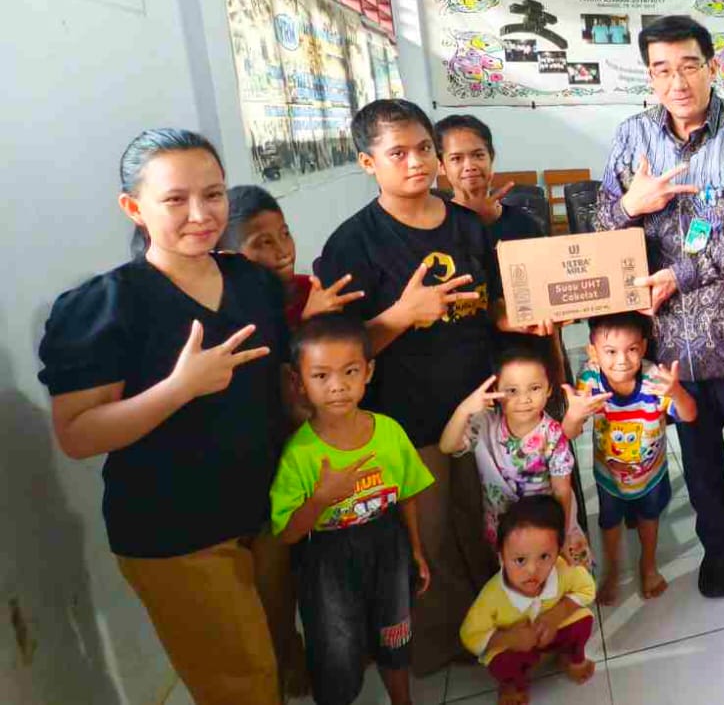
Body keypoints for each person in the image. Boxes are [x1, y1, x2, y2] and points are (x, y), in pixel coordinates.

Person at [38, 129, 297, 705]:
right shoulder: (107, 304)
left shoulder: (252, 282)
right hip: (177, 532)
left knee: (277, 654)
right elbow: (76, 434)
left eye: (214, 194)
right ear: (134, 208)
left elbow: (273, 388)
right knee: (241, 684)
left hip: (265, 509)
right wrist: (180, 389)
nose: (201, 215)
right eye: (176, 199)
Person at [593, 15, 724, 596]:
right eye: (662, 70)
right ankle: (719, 547)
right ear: (650, 76)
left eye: (688, 66)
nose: (677, 82)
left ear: (712, 66)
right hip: (671, 339)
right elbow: (602, 226)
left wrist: (681, 273)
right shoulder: (632, 136)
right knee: (698, 454)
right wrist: (630, 206)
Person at [316, 99, 516, 669]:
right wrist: (402, 315)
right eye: (397, 153)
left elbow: (487, 305)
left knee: (483, 519)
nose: (417, 163)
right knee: (426, 536)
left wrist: (520, 318)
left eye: (425, 148)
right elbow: (338, 355)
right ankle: (437, 645)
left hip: (481, 402)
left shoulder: (465, 224)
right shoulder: (353, 243)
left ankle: (495, 624)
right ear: (367, 163)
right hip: (408, 416)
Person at [269, 314, 433, 705]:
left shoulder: (389, 432)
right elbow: (287, 533)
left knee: (395, 632)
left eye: (350, 371)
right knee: (336, 648)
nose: (337, 386)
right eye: (321, 375)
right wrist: (321, 498)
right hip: (327, 560)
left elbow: (407, 494)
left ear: (368, 372)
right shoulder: (299, 453)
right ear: (299, 382)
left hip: (388, 546)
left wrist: (416, 550)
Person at [562, 312, 698, 605]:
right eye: (610, 351)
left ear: (644, 347)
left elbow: (689, 415)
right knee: (610, 522)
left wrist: (676, 392)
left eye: (632, 349)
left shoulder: (654, 379)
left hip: (651, 474)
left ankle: (648, 565)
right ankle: (611, 571)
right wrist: (574, 415)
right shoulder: (589, 380)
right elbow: (569, 433)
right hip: (609, 478)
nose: (622, 360)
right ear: (592, 352)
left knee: (649, 518)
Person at [441, 342, 587, 563]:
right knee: (517, 581)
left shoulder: (553, 434)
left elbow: (562, 491)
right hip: (505, 529)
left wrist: (562, 535)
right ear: (496, 392)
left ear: (549, 389)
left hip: (549, 528)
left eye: (534, 388)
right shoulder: (484, 423)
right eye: (512, 391)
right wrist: (464, 410)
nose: (524, 399)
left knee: (564, 576)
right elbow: (447, 446)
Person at [459, 495, 598, 703]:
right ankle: (513, 683)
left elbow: (587, 589)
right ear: (501, 556)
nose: (532, 570)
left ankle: (571, 657)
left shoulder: (562, 569)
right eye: (520, 560)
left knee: (583, 621)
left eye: (544, 557)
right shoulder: (492, 596)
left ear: (558, 551)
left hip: (554, 631)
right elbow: (470, 635)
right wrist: (509, 639)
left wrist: (556, 616)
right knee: (500, 661)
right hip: (516, 645)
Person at [224, 185, 364, 328]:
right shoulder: (230, 314)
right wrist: (308, 321)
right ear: (230, 254)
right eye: (266, 242)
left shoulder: (310, 290)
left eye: (285, 234)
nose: (284, 251)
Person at [436, 114, 546, 243]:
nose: (469, 166)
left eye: (478, 155)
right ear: (441, 165)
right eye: (456, 158)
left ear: (491, 157)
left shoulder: (525, 225)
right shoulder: (435, 228)